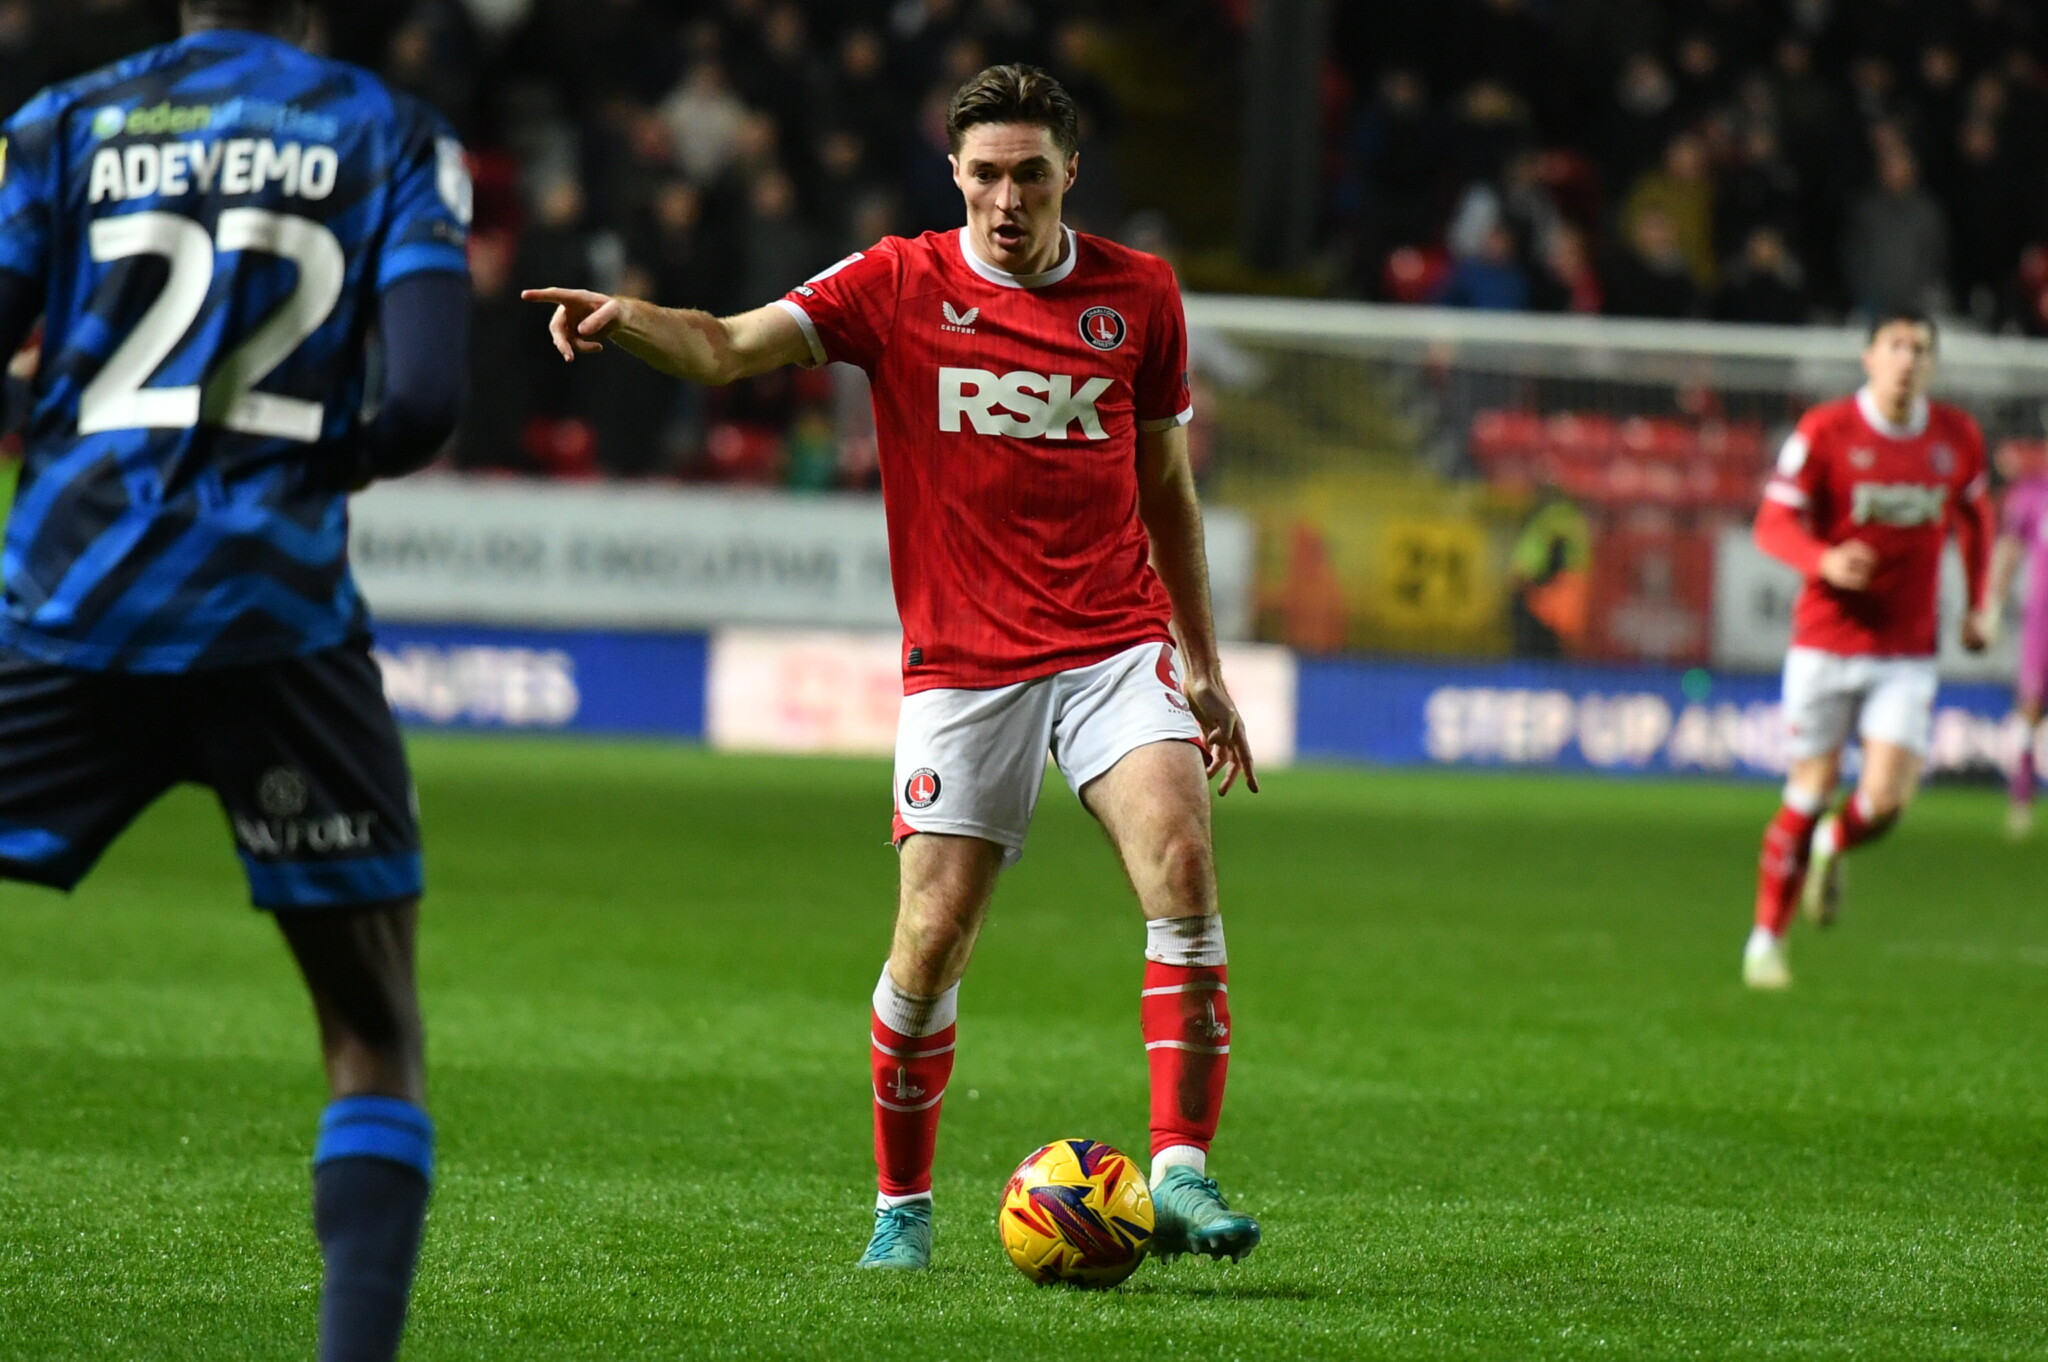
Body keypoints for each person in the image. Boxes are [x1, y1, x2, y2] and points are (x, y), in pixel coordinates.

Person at [524, 64, 1262, 1271]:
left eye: (1030, 175)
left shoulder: (1139, 294)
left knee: (1180, 861)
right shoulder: (896, 282)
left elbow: (1166, 489)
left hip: (1112, 640)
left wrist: (1200, 659)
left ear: (1069, 173)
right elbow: (725, 347)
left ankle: (1179, 1169)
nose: (1007, 200)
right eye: (986, 175)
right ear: (953, 173)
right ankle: (901, 1210)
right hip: (963, 663)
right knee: (930, 937)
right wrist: (631, 319)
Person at [0, 2, 470, 1356]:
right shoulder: (388, 130)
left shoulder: (62, 124)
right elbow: (424, 404)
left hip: (71, 604)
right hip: (276, 618)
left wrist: (62, 424)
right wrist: (314, 461)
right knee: (371, 1025)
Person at [1743, 312, 1994, 990]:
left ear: (1932, 364)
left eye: (1920, 349)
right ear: (1869, 357)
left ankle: (1835, 842)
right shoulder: (1825, 430)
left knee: (1883, 801)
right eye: (1895, 346)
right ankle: (1766, 941)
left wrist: (1978, 604)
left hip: (1905, 650)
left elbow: (1976, 518)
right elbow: (1772, 523)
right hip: (1824, 643)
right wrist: (1822, 561)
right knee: (1809, 790)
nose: (1907, 359)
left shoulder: (1956, 437)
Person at [1987, 456, 2048, 837]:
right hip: (2042, 619)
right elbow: (2010, 549)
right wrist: (1994, 604)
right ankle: (2022, 798)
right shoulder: (2031, 493)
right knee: (2030, 704)